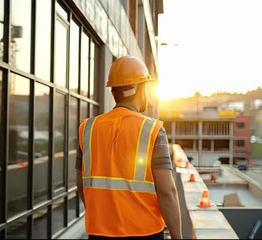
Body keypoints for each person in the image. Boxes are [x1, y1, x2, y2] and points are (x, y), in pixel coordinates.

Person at [76, 56, 183, 239]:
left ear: (114, 92)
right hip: (144, 232)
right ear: (140, 89)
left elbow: (81, 184)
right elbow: (167, 192)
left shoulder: (88, 128)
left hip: (100, 232)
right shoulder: (153, 130)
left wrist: (102, 218)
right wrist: (178, 237)